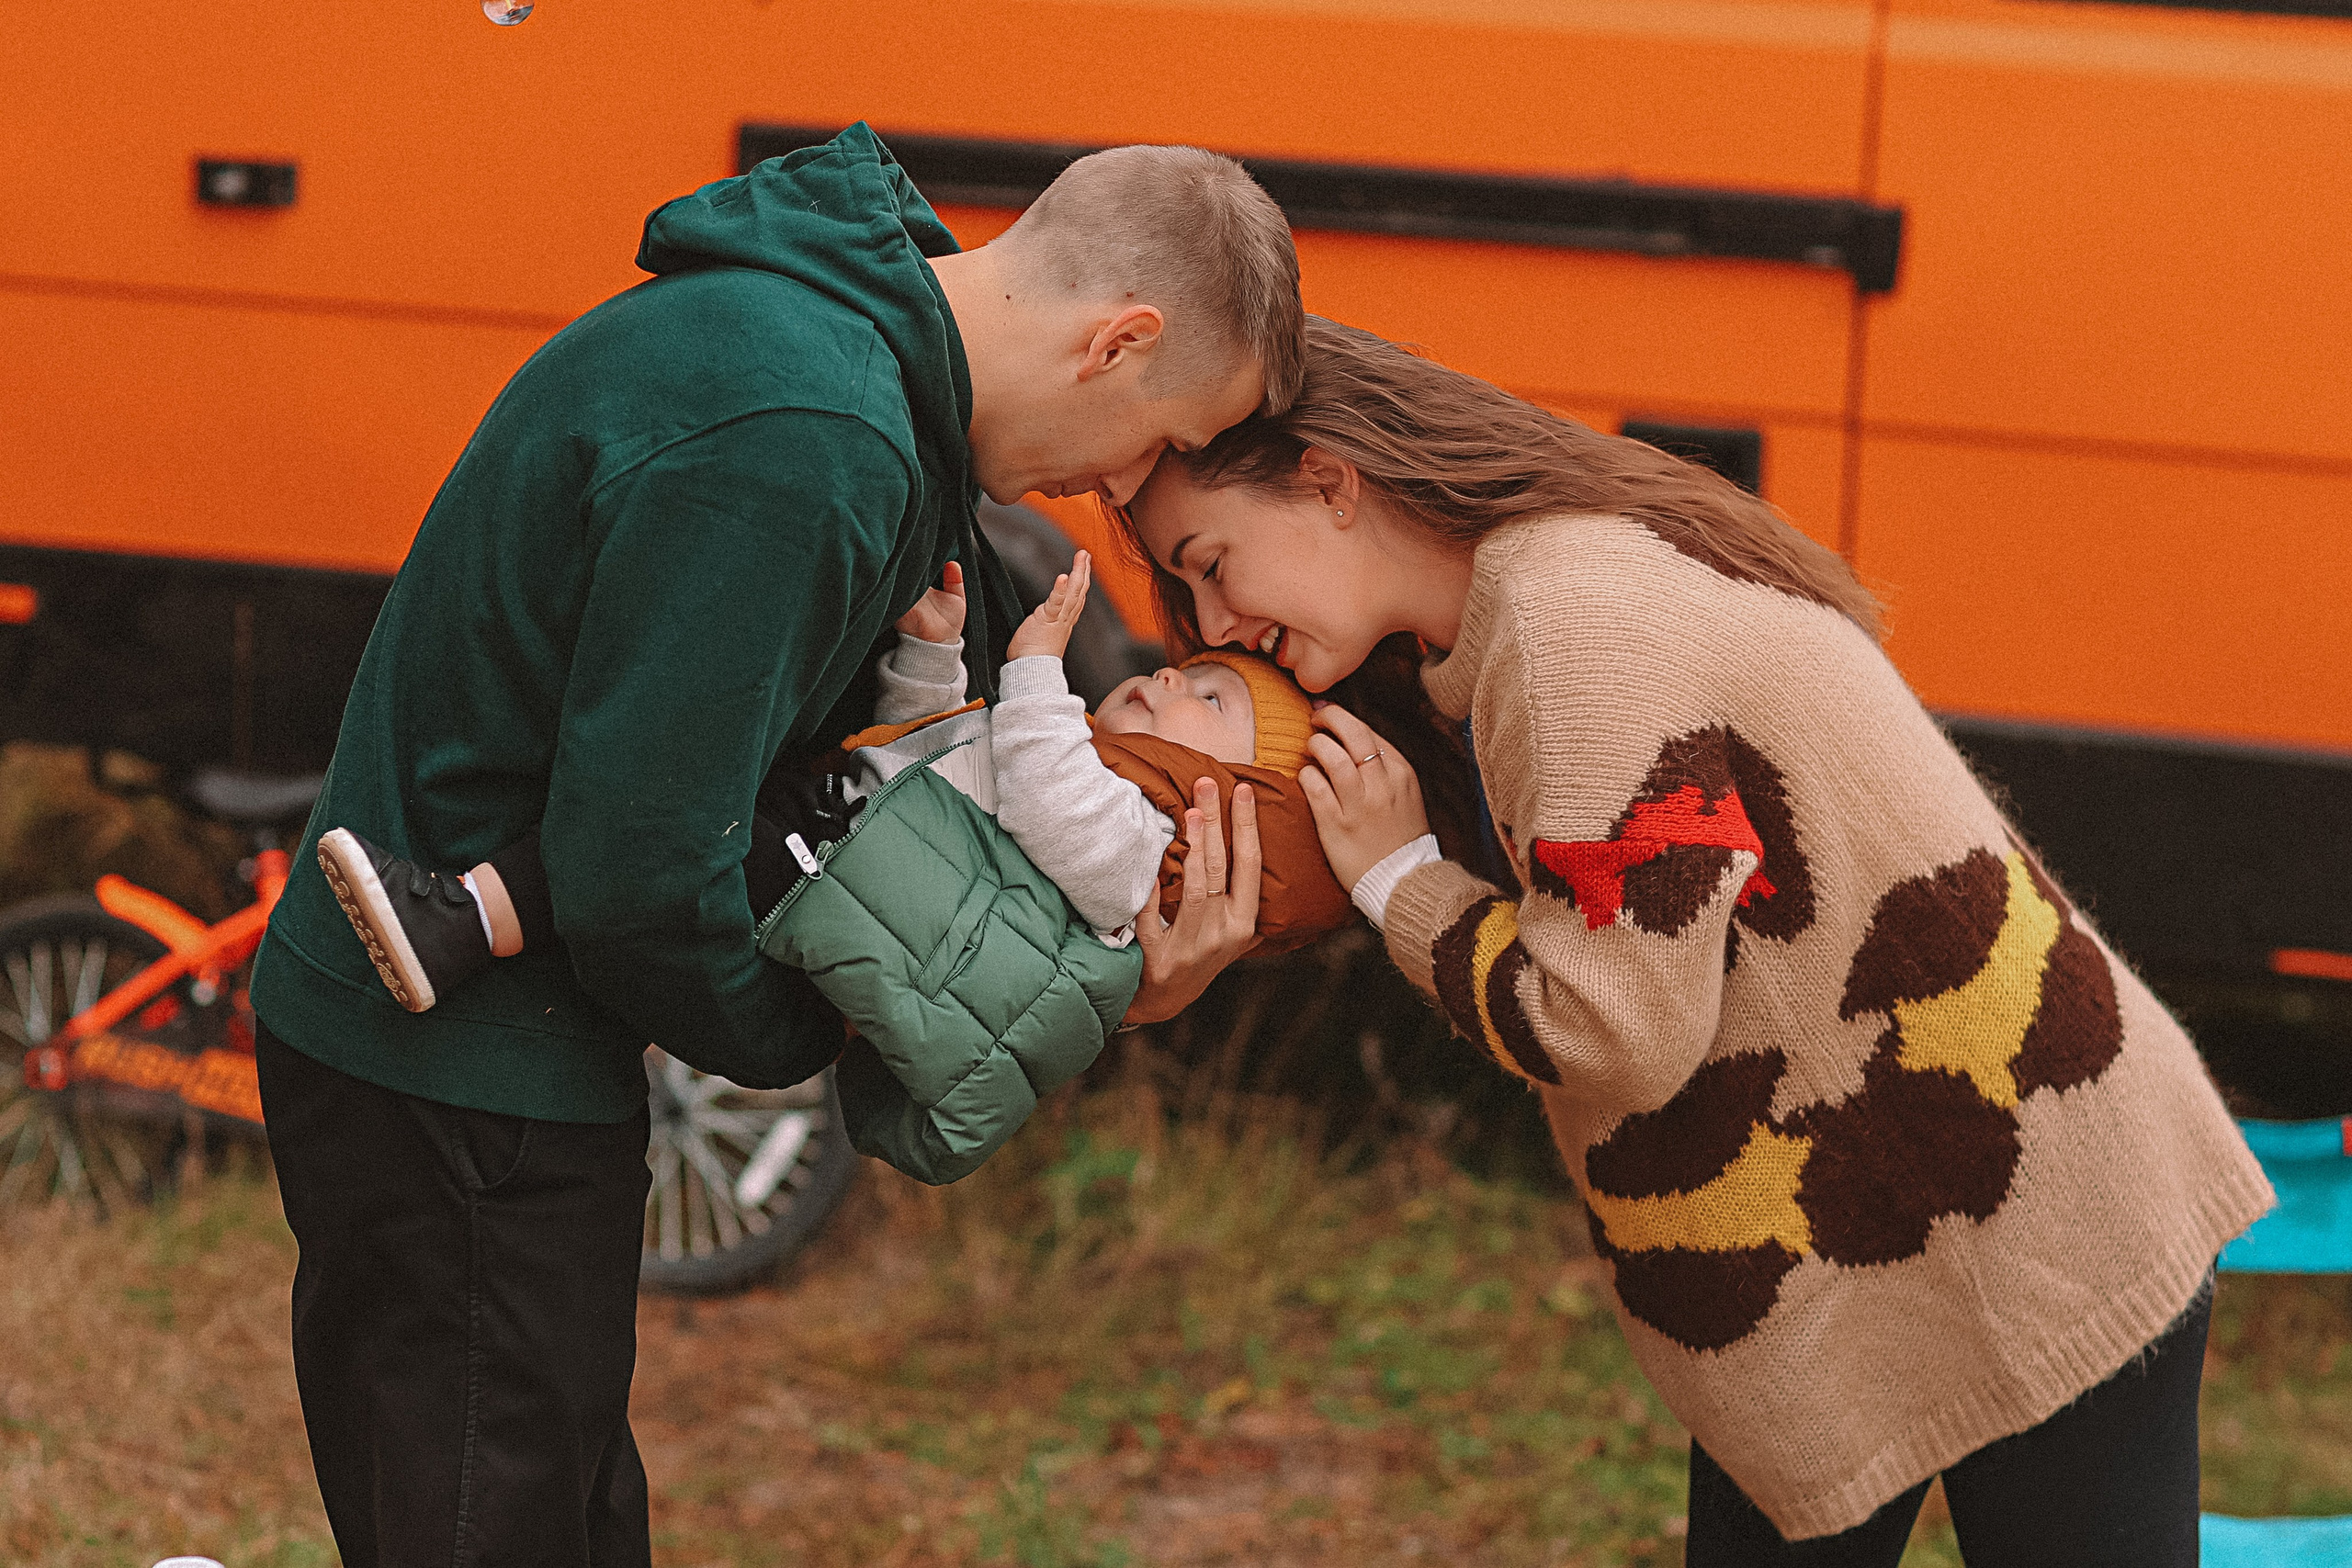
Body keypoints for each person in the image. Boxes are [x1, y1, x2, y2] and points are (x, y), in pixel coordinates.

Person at [248, 126, 1298, 1567]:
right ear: (1120, 342)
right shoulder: (816, 433)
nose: (1123, 491)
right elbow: (636, 872)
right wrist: (832, 1020)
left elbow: (855, 782)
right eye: (1162, 443)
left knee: (553, 1510)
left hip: (492, 1047)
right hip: (454, 1070)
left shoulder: (854, 365)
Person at [1114, 315, 2271, 1565]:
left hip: (2030, 1206)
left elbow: (1614, 1025)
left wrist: (1403, 881)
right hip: (1868, 1225)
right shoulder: (1521, 610)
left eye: (1210, 561)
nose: (1213, 618)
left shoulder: (1573, 630)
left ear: (1328, 481)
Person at [310, 549, 1349, 1120]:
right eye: (1185, 667)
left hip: (841, 881)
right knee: (668, 822)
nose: (1170, 677)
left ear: (1233, 788)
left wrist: (1036, 670)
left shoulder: (1147, 840)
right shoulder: (1076, 754)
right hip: (844, 840)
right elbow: (937, 759)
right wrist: (933, 663)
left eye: (1209, 698)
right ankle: (476, 923)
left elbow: (1045, 808)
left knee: (673, 833)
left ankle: (460, 925)